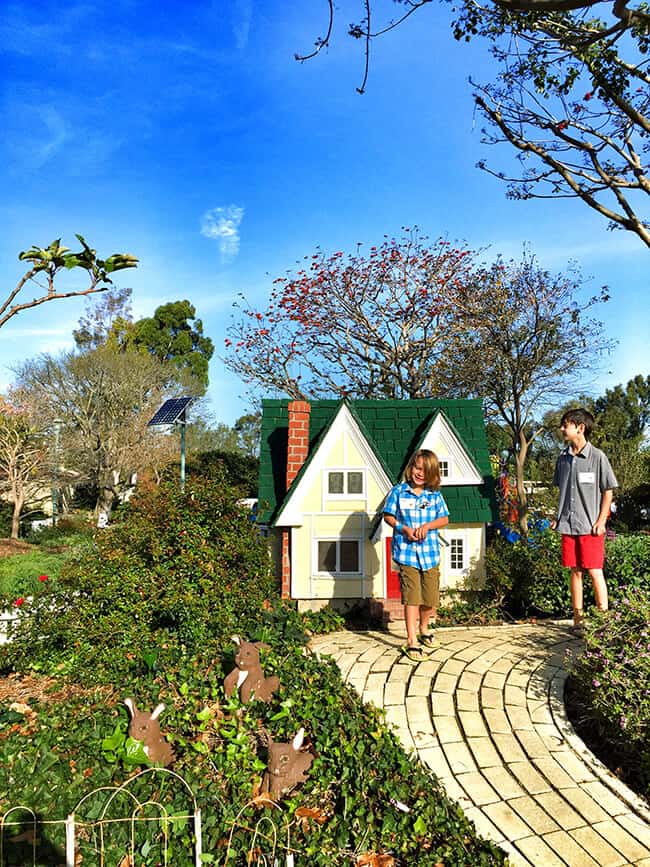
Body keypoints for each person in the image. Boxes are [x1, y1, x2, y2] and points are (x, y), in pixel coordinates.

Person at [552, 408, 618, 634]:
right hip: (568, 526)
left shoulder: (598, 457)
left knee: (594, 571)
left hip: (591, 528)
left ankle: (603, 622)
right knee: (575, 571)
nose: (562, 428)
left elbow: (608, 492)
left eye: (566, 424)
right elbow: (561, 492)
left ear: (580, 428)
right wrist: (557, 517)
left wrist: (601, 521)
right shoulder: (562, 459)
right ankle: (578, 621)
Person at [383, 449, 449, 661]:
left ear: (432, 474)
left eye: (425, 470)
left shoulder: (434, 495)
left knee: (430, 598)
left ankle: (424, 629)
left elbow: (444, 519)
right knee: (412, 598)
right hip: (407, 554)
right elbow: (388, 516)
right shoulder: (398, 492)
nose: (420, 473)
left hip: (430, 554)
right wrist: (404, 528)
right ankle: (411, 641)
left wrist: (428, 526)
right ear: (411, 468)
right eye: (417, 468)